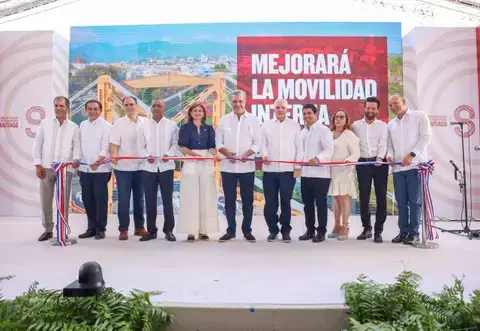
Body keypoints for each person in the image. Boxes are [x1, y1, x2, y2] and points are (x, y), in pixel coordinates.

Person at [215, 90, 262, 243]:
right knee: (229, 201)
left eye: (240, 101)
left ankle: (247, 231)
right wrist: (228, 154)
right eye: (235, 101)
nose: (237, 104)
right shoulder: (224, 120)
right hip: (228, 168)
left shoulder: (254, 120)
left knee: (248, 202)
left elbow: (257, 143)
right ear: (231, 102)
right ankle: (230, 231)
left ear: (245, 101)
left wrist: (246, 155)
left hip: (247, 168)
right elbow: (218, 143)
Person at [33, 96, 80, 241]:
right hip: (46, 169)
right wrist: (37, 164)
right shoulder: (44, 124)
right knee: (45, 200)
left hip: (65, 170)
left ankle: (62, 229)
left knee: (64, 202)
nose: (58, 108)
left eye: (62, 106)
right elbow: (37, 144)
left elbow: (77, 147)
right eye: (56, 106)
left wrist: (76, 160)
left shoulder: (74, 127)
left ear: (67, 108)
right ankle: (47, 229)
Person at [387, 95, 432, 245]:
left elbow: (426, 137)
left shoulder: (419, 116)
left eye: (396, 103)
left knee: (415, 202)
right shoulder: (391, 124)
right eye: (391, 105)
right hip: (398, 169)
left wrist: (412, 155)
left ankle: (414, 233)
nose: (393, 107)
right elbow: (389, 146)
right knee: (401, 202)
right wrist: (389, 156)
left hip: (415, 167)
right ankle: (403, 232)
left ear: (404, 102)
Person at [260, 98, 302, 243]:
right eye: (277, 107)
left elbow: (299, 147)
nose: (280, 110)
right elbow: (262, 144)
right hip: (269, 170)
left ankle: (285, 231)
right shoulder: (266, 125)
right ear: (274, 109)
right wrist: (264, 155)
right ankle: (272, 230)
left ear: (287, 109)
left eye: (282, 107)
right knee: (270, 203)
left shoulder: (294, 125)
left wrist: (297, 167)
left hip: (287, 171)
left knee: (286, 201)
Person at [137, 98, 179, 242]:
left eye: (159, 106)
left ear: (163, 108)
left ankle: (169, 230)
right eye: (154, 105)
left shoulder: (172, 125)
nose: (156, 108)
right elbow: (140, 146)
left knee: (168, 200)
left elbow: (175, 145)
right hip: (148, 168)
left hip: (166, 168)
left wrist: (169, 154)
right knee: (150, 201)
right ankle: (151, 231)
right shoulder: (143, 126)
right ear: (151, 108)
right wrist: (146, 156)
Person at [177, 101, 219, 241]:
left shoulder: (209, 128)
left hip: (206, 161)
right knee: (191, 195)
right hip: (191, 161)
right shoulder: (185, 128)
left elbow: (212, 146)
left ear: (203, 113)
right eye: (194, 110)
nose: (197, 112)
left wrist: (215, 156)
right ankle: (191, 230)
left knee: (206, 194)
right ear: (190, 113)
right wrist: (195, 155)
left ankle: (204, 230)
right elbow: (182, 147)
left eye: (200, 110)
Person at [109, 96, 147, 240]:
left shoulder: (145, 123)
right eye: (127, 105)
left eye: (132, 104)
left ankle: (139, 227)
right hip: (123, 168)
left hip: (141, 168)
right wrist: (113, 156)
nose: (130, 107)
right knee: (124, 199)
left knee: (139, 199)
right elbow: (113, 144)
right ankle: (123, 229)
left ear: (136, 105)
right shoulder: (118, 124)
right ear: (124, 107)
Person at [351, 96, 388, 243]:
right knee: (364, 197)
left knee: (381, 197)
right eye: (368, 108)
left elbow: (383, 144)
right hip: (362, 164)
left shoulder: (383, 126)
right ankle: (366, 228)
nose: (370, 110)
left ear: (377, 110)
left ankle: (379, 231)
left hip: (379, 164)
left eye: (373, 108)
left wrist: (380, 158)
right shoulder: (355, 125)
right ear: (364, 108)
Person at [298, 104, 334, 243]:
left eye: (309, 113)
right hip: (306, 174)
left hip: (321, 175)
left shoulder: (323, 130)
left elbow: (329, 150)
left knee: (321, 204)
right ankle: (310, 230)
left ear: (315, 114)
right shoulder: (302, 132)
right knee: (307, 205)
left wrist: (318, 158)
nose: (307, 116)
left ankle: (321, 232)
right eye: (304, 114)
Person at [77, 100, 112, 240]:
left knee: (100, 200)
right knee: (88, 199)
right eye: (90, 109)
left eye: (95, 109)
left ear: (101, 110)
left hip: (101, 169)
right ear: (86, 110)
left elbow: (106, 146)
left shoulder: (107, 126)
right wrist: (78, 162)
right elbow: (79, 146)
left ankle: (101, 229)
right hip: (85, 169)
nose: (92, 111)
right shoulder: (83, 125)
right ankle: (91, 228)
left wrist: (99, 160)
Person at [327, 109, 360, 241]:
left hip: (345, 170)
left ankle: (346, 227)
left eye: (341, 117)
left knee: (344, 197)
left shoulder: (350, 135)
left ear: (346, 120)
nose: (338, 119)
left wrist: (348, 161)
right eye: (336, 117)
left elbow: (356, 154)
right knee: (335, 198)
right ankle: (337, 226)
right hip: (332, 170)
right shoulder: (329, 134)